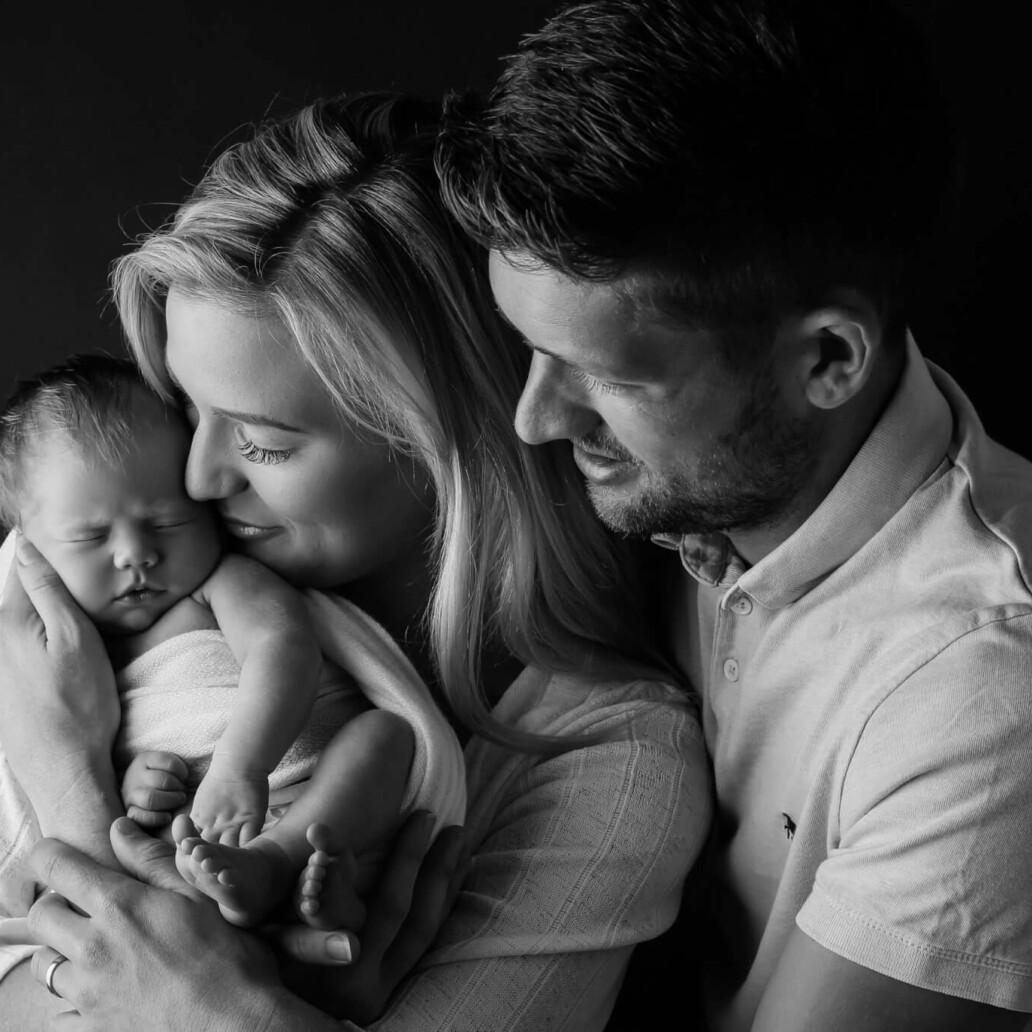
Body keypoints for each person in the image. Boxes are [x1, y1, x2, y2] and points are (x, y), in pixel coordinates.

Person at [0, 92, 710, 1030]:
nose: (200, 477)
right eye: (186, 409)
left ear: (440, 446)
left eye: (261, 441)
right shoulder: (82, 602)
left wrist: (234, 1003)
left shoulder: (611, 767)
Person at [435, 0, 1032, 1029]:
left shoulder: (984, 699)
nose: (536, 420)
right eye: (531, 348)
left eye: (607, 378)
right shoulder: (686, 480)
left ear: (830, 361)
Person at [0, 353, 440, 931]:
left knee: (385, 736)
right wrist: (137, 785)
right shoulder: (53, 664)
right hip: (201, 854)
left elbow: (281, 648)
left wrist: (241, 765)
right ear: (27, 550)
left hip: (303, 794)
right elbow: (79, 765)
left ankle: (281, 864)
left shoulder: (215, 586)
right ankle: (302, 913)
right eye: (91, 537)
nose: (136, 553)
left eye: (167, 521)